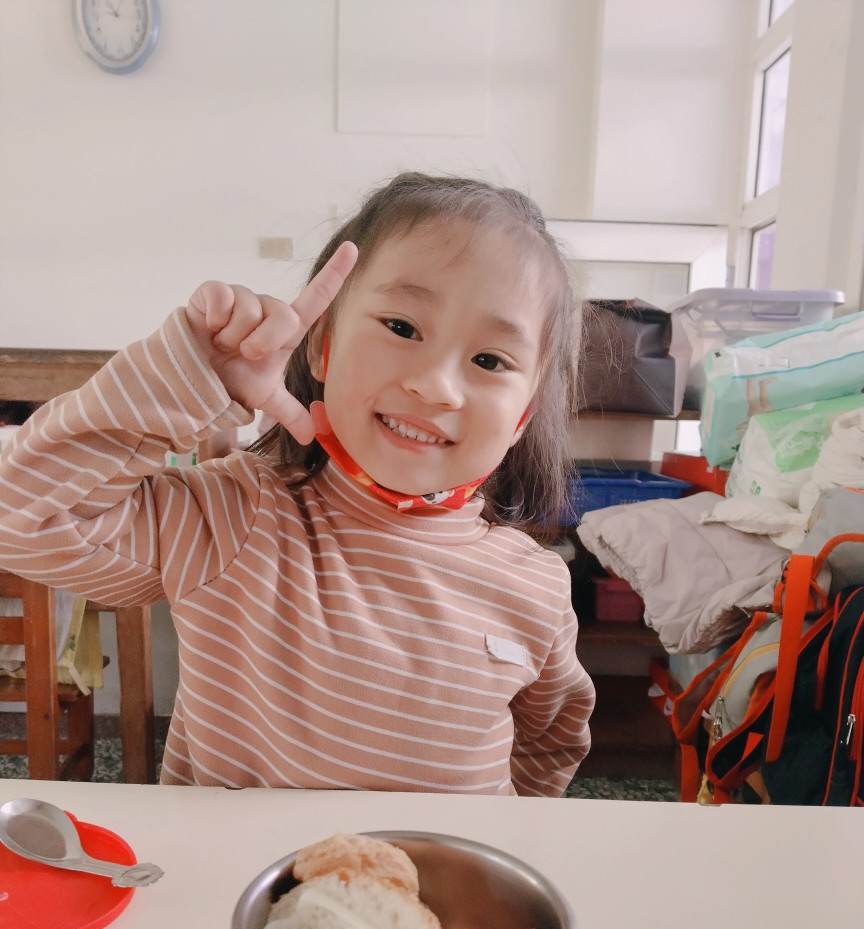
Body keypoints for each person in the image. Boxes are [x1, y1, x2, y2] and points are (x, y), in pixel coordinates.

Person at [0, 172, 594, 794]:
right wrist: (188, 377)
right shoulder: (235, 516)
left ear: (522, 417)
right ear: (321, 347)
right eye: (402, 327)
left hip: (442, 864)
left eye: (490, 360)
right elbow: (24, 519)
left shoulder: (537, 586)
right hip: (244, 861)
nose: (435, 386)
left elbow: (549, 745)